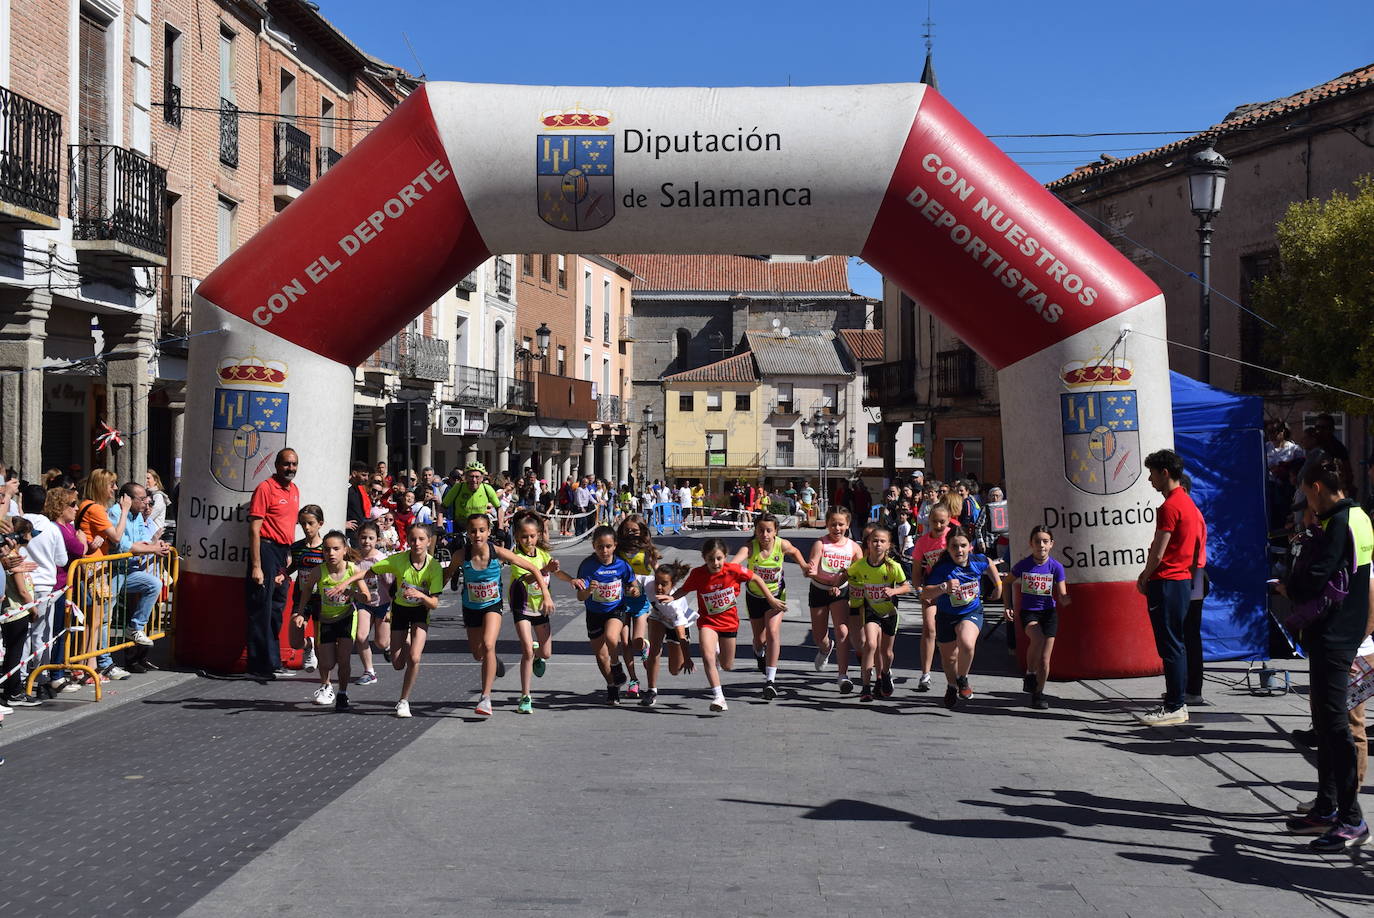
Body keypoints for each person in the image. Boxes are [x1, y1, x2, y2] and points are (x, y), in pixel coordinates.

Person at [1280, 459, 1372, 851]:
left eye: (1305, 492)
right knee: (1327, 724)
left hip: (1335, 635)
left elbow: (1315, 580)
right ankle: (1327, 808)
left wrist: (1288, 587)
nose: (1306, 501)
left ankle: (1351, 820)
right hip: (1344, 632)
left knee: (1335, 728)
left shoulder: (1337, 523)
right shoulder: (1360, 516)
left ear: (1316, 487)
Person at [447, 512, 548, 716]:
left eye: (482, 530)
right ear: (467, 532)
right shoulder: (460, 555)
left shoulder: (498, 552)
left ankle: (485, 698)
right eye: (473, 531)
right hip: (471, 607)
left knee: (489, 644)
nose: (477, 535)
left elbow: (532, 568)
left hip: (493, 605)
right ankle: (493, 661)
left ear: (489, 531)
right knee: (478, 654)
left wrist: (546, 593)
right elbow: (444, 577)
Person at [663, 537, 781, 712]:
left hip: (729, 624)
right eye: (711, 559)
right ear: (704, 559)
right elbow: (684, 590)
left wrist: (771, 599)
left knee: (727, 665)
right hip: (708, 622)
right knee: (707, 654)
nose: (715, 563)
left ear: (725, 557)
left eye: (719, 558)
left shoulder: (733, 571)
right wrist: (672, 597)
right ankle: (719, 697)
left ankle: (719, 653)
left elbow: (755, 578)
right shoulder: (698, 574)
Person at [1134, 449, 1206, 727]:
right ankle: (1178, 701)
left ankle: (1175, 705)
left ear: (1165, 473)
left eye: (1152, 473)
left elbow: (1159, 551)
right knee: (1178, 643)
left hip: (1166, 581)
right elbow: (1198, 547)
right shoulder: (1189, 504)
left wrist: (1145, 575)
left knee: (1170, 646)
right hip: (1182, 582)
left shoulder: (1169, 507)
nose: (1150, 479)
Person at [342, 521, 443, 717]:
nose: (417, 543)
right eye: (413, 539)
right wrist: (346, 582)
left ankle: (404, 701)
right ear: (407, 540)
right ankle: (405, 642)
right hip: (400, 611)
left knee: (415, 657)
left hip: (420, 612)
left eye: (421, 539)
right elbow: (368, 571)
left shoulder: (434, 566)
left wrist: (421, 596)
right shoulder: (397, 560)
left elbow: (434, 603)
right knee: (398, 664)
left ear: (429, 541)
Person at [730, 512, 810, 700]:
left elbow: (795, 552)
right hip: (755, 596)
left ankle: (770, 680)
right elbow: (733, 564)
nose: (765, 535)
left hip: (776, 595)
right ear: (755, 530)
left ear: (776, 532)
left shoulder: (782, 544)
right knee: (759, 639)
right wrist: (727, 571)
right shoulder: (750, 548)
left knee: (773, 632)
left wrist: (804, 566)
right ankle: (759, 652)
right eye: (761, 530)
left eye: (769, 530)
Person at [921, 525, 1001, 709]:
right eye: (955, 546)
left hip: (971, 611)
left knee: (966, 643)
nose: (960, 550)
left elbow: (989, 563)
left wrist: (998, 585)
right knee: (949, 659)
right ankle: (951, 686)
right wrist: (943, 587)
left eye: (963, 545)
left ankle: (962, 679)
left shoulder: (977, 561)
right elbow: (925, 594)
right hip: (946, 616)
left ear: (970, 546)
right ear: (948, 549)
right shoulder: (942, 568)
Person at [508, 512, 574, 713]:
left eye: (532, 536)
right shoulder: (516, 557)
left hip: (540, 610)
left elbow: (555, 572)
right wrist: (546, 568)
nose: (529, 540)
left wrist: (570, 579)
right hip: (522, 608)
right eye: (524, 537)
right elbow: (529, 578)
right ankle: (525, 696)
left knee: (546, 653)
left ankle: (538, 655)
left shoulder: (543, 554)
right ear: (518, 537)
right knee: (526, 650)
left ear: (538, 535)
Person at [245, 448, 300, 680]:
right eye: (286, 464)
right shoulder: (265, 489)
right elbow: (254, 530)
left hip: (281, 554)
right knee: (262, 610)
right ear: (277, 465)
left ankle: (273, 661)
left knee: (277, 609)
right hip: (265, 551)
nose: (291, 468)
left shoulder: (295, 489)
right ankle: (260, 665)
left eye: (294, 464)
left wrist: (288, 553)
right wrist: (256, 566)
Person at [107, 482, 172, 669]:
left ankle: (134, 628)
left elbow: (142, 542)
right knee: (105, 620)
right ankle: (104, 662)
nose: (146, 502)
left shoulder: (138, 517)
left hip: (131, 570)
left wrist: (158, 546)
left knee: (154, 584)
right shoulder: (117, 513)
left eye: (146, 498)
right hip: (113, 571)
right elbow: (125, 546)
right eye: (142, 499)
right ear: (127, 499)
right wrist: (152, 548)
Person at [844, 523, 912, 702]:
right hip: (871, 610)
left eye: (882, 541)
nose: (878, 544)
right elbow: (847, 576)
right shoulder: (860, 565)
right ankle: (866, 687)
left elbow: (907, 586)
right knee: (870, 645)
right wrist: (836, 587)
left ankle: (885, 672)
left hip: (889, 612)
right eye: (874, 541)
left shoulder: (893, 566)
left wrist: (894, 591)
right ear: (868, 543)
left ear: (889, 545)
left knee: (887, 652)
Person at [573, 526, 640, 705]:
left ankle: (616, 664)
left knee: (612, 637)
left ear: (615, 546)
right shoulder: (587, 566)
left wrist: (634, 590)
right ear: (594, 546)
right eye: (600, 547)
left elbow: (634, 585)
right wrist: (588, 590)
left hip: (615, 609)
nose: (604, 551)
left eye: (608, 546)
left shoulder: (622, 565)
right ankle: (611, 686)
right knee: (601, 656)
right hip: (594, 612)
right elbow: (580, 597)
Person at [301, 530, 365, 711]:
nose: (331, 554)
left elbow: (366, 597)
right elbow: (306, 590)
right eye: (327, 550)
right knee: (328, 663)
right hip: (326, 620)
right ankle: (316, 650)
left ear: (345, 550)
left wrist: (350, 593)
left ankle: (342, 693)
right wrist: (300, 613)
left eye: (336, 549)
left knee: (343, 659)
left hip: (346, 618)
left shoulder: (353, 569)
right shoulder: (318, 571)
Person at [75, 469, 130, 681]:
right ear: (101, 486)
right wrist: (124, 511)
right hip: (94, 568)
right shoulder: (96, 508)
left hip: (92, 565)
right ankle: (86, 666)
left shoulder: (85, 505)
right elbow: (116, 536)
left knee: (93, 620)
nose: (115, 489)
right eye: (111, 485)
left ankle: (90, 665)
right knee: (95, 620)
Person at [1008, 525, 1069, 710]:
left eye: (1045, 541)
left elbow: (1062, 591)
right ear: (1031, 544)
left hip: (1049, 613)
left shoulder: (1056, 567)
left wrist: (1065, 598)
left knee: (1045, 658)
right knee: (1037, 638)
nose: (1041, 545)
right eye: (1037, 541)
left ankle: (1038, 693)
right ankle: (1030, 672)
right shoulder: (1024, 565)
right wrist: (1007, 606)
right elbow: (1006, 582)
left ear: (1051, 544)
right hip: (1029, 612)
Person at [806, 506, 862, 693]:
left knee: (842, 631)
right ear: (827, 524)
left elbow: (859, 573)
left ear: (847, 525)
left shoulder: (853, 547)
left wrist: (843, 583)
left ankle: (842, 675)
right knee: (819, 636)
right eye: (832, 524)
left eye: (840, 524)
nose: (836, 528)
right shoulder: (820, 544)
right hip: (820, 590)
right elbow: (813, 566)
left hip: (842, 592)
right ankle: (825, 649)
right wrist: (811, 570)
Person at [18, 484, 67, 697]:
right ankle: (41, 678)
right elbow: (62, 559)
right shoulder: (52, 528)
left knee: (22, 635)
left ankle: (18, 679)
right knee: (41, 634)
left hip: (22, 583)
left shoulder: (16, 523)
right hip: (45, 586)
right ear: (45, 504)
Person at [909, 504, 953, 692]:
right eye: (934, 521)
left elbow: (969, 560)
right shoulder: (923, 542)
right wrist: (919, 589)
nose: (938, 525)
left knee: (953, 633)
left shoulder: (954, 536)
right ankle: (925, 674)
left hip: (954, 588)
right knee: (929, 628)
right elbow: (917, 570)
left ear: (949, 520)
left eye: (942, 521)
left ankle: (956, 673)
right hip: (932, 587)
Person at [617, 514, 660, 698]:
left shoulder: (648, 552)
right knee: (624, 642)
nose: (630, 533)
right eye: (627, 530)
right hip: (621, 601)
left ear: (642, 531)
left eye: (634, 530)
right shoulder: (617, 551)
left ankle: (644, 648)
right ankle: (633, 680)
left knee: (636, 640)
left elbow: (658, 574)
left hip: (641, 601)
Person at [642, 561, 696, 707]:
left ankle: (674, 658)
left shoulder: (675, 607)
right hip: (658, 617)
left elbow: (681, 636)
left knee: (674, 670)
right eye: (657, 582)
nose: (659, 587)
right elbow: (627, 575)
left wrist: (688, 658)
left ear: (672, 585)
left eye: (664, 584)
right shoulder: (648, 583)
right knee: (654, 651)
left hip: (675, 625)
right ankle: (651, 691)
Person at [1, 517, 38, 708]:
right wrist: (32, 608)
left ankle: (13, 689)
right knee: (15, 654)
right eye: (30, 533)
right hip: (16, 611)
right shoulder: (13, 557)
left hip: (17, 611)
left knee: (14, 653)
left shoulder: (13, 555)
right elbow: (22, 590)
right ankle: (13, 692)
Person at [286, 505, 326, 673]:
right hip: (302, 598)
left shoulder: (327, 549)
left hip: (323, 600)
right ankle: (307, 644)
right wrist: (282, 574)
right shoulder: (296, 548)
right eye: (302, 524)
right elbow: (290, 568)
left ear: (320, 524)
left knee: (321, 646)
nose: (306, 528)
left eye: (310, 523)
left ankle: (326, 684)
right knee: (294, 642)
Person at [352, 521, 389, 686]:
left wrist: (391, 608)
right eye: (363, 537)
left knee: (381, 643)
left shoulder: (380, 560)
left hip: (382, 603)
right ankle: (369, 671)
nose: (366, 541)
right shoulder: (355, 559)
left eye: (370, 538)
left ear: (377, 540)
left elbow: (391, 584)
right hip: (363, 604)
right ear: (358, 538)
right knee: (361, 636)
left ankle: (388, 647)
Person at [345, 460, 372, 541]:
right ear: (354, 473)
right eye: (363, 475)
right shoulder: (345, 489)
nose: (366, 478)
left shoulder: (359, 489)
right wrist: (342, 524)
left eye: (367, 475)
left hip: (358, 533)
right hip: (348, 534)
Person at [145, 470, 170, 540]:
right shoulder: (148, 495)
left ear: (155, 480)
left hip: (154, 534)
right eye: (144, 478)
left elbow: (151, 515)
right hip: (148, 532)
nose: (145, 480)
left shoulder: (158, 496)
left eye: (148, 478)